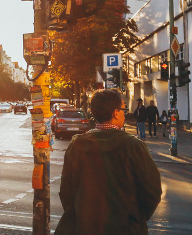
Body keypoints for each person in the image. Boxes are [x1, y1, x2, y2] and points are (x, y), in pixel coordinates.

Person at [55, 89, 162, 234]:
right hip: (125, 228)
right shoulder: (133, 146)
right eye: (124, 109)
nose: (125, 113)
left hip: (85, 227)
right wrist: (136, 218)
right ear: (116, 112)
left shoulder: (77, 145)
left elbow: (66, 190)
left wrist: (81, 214)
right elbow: (152, 190)